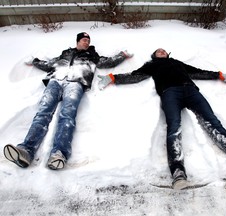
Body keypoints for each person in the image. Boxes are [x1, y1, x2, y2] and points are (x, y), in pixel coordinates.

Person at [98, 48, 226, 190]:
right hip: (169, 93)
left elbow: (196, 71)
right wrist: (113, 78)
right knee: (174, 127)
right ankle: (178, 172)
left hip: (191, 91)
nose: (162, 51)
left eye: (164, 50)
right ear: (154, 56)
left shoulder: (177, 63)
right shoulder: (151, 65)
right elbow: (135, 76)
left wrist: (218, 75)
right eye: (158, 51)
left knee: (214, 124)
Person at [3, 32, 133, 170]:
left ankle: (59, 154)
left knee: (67, 115)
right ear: (77, 41)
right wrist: (35, 61)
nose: (86, 42)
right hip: (55, 81)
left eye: (88, 41)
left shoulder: (92, 55)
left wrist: (122, 55)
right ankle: (26, 151)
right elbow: (49, 64)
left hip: (76, 83)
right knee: (43, 113)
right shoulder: (65, 53)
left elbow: (108, 62)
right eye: (84, 40)